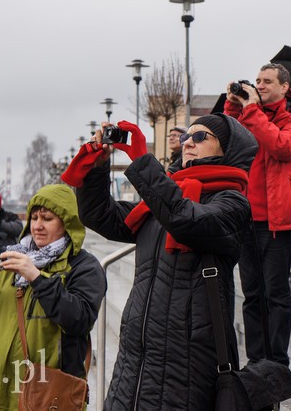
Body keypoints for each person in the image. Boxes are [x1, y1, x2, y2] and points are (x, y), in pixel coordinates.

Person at [74, 115, 258, 410]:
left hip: (186, 361)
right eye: (187, 136)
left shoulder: (232, 202)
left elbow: (185, 219)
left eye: (201, 137)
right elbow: (100, 215)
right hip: (136, 356)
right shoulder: (163, 198)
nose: (188, 143)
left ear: (227, 149)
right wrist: (97, 166)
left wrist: (142, 162)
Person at [0, 184, 106, 411]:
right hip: (2, 386)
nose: (37, 226)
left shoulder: (84, 265)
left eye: (47, 218)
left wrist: (36, 277)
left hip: (50, 393)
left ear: (67, 222)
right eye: (34, 218)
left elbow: (79, 319)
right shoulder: (12, 258)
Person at [224, 64, 291, 366]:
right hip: (244, 219)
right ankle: (256, 358)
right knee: (252, 293)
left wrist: (252, 112)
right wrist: (232, 105)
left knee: (275, 292)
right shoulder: (247, 116)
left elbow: (282, 146)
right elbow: (224, 141)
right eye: (258, 81)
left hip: (277, 221)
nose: (260, 86)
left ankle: (277, 361)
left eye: (267, 82)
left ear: (285, 87)